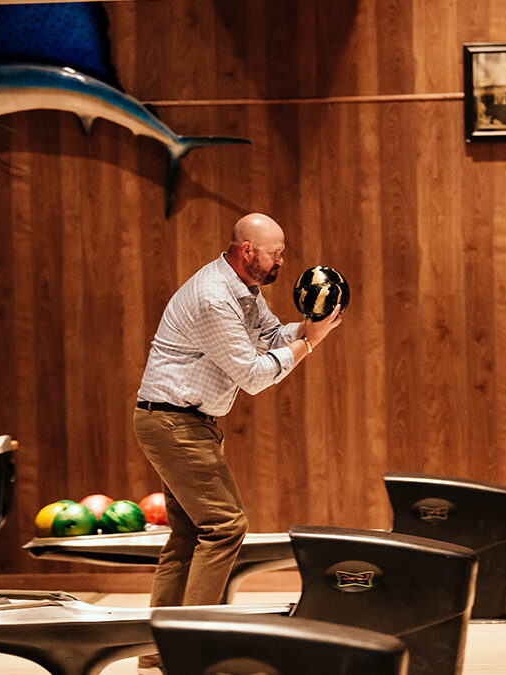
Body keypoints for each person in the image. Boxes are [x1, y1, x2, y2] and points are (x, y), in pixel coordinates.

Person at [132, 212, 342, 674]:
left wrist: (310, 326)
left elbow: (269, 337)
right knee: (225, 526)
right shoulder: (213, 296)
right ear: (248, 250)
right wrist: (310, 343)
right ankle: (193, 650)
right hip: (173, 423)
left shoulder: (245, 289)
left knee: (188, 535)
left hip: (184, 422)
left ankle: (159, 650)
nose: (281, 262)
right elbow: (252, 374)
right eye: (275, 253)